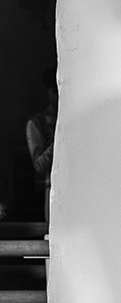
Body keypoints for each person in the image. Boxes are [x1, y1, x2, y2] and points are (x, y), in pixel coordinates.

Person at [25, 67, 57, 223]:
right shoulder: (36, 124)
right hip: (50, 189)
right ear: (49, 92)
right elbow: (39, 165)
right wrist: (59, 139)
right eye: (54, 91)